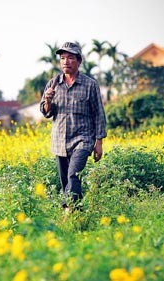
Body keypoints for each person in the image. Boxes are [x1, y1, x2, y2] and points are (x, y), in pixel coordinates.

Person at [40, 41, 107, 213]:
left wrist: (99, 142)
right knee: (66, 182)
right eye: (62, 58)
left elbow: (98, 113)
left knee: (73, 174)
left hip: (83, 139)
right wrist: (48, 100)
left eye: (70, 58)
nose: (66, 62)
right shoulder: (53, 84)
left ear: (79, 61)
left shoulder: (90, 85)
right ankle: (77, 212)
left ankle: (68, 211)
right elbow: (46, 113)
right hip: (60, 140)